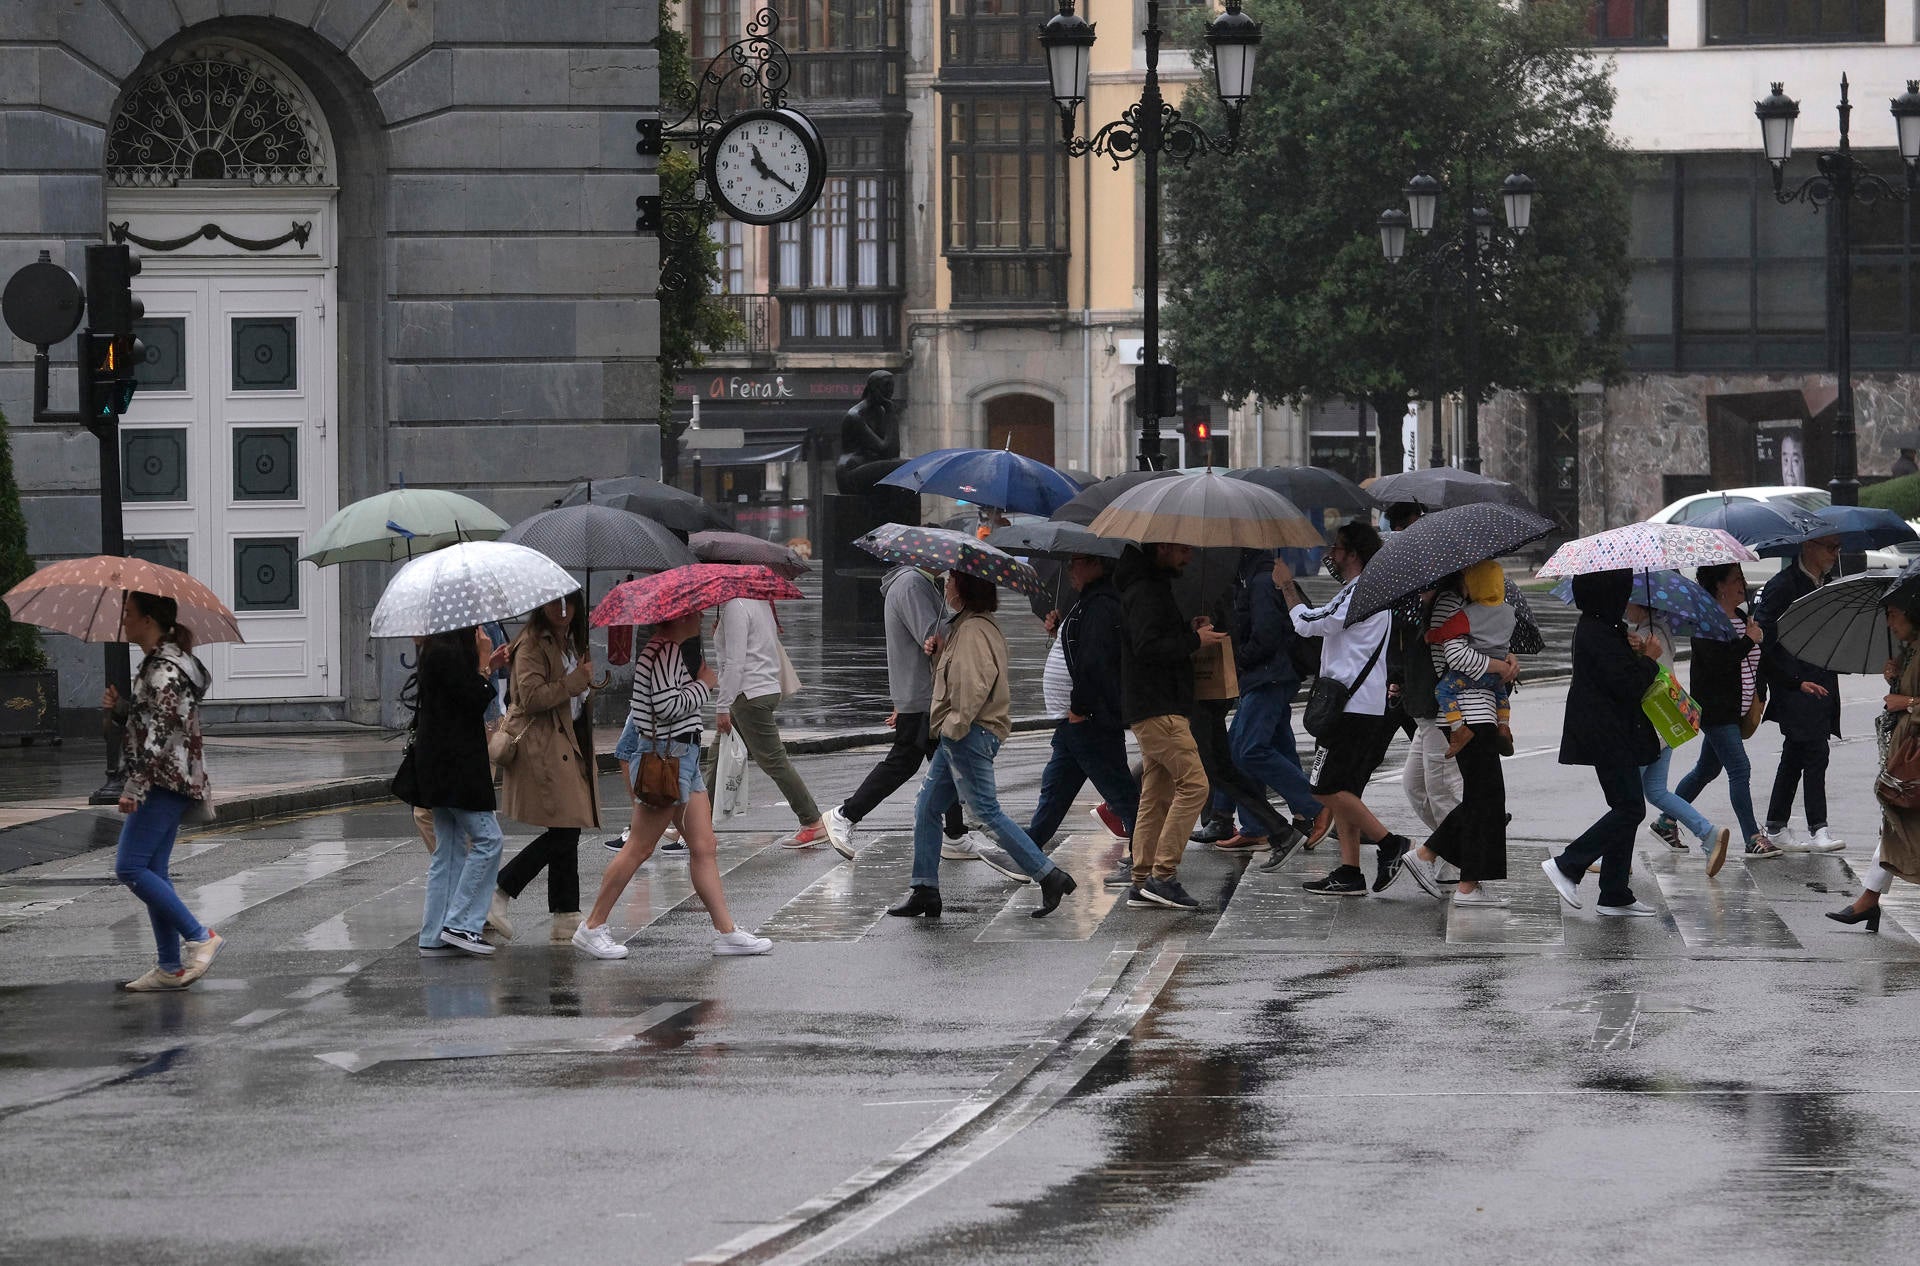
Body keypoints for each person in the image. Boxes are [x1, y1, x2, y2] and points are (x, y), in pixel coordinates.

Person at [577, 611, 772, 958]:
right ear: (677, 618)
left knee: (704, 845)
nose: (699, 618)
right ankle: (592, 926)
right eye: (693, 613)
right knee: (639, 847)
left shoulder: (669, 650)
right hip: (665, 760)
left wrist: (699, 682)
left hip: (683, 758)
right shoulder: (662, 652)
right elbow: (667, 707)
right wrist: (704, 684)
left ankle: (726, 932)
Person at [887, 571, 1078, 918]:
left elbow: (972, 688)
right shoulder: (964, 627)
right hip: (960, 731)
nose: (946, 586)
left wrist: (953, 728)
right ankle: (924, 888)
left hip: (968, 733)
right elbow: (952, 677)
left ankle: (1049, 875)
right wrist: (936, 653)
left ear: (964, 588)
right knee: (927, 807)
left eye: (950, 581)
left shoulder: (974, 631)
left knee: (984, 812)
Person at [1273, 522, 1411, 897]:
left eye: (1336, 548)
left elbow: (1310, 624)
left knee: (1323, 790)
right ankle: (1350, 872)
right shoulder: (1366, 591)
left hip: (1350, 708)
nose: (1330, 555)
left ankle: (1390, 843)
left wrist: (1287, 587)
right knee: (1346, 789)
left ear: (1353, 553)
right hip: (1361, 705)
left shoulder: (1361, 592)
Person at [109, 592, 223, 991]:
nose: (123, 620)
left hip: (163, 780)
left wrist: (134, 785)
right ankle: (170, 967)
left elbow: (162, 733)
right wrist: (121, 708)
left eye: (128, 613)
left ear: (148, 620)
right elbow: (158, 719)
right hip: (170, 777)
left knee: (129, 867)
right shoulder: (159, 664)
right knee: (152, 871)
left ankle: (200, 936)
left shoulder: (165, 668)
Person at [824, 563, 975, 861]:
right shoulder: (912, 585)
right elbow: (933, 639)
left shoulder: (918, 583)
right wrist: (964, 612)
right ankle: (845, 814)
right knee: (906, 760)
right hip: (922, 693)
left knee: (947, 759)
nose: (948, 564)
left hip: (923, 691)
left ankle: (955, 834)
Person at [1539, 569, 1662, 916]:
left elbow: (1617, 672)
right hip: (1606, 731)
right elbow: (1627, 685)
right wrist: (1649, 660)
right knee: (1630, 808)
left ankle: (1614, 893)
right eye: (1623, 590)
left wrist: (1634, 647)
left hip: (1611, 729)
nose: (1626, 598)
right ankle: (1568, 864)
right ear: (1609, 594)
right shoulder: (1598, 630)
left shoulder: (1602, 626)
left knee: (1626, 806)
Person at [1399, 572, 1518, 907]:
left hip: (1478, 711)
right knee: (1485, 799)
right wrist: (1499, 666)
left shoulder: (1463, 603)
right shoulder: (1449, 602)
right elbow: (1455, 657)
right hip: (1467, 713)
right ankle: (1433, 859)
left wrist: (1507, 660)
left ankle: (1462, 879)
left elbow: (1482, 644)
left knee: (1484, 800)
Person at [1117, 542, 1222, 911]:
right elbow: (1148, 648)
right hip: (1159, 707)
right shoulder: (1147, 590)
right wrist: (1194, 640)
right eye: (1182, 550)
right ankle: (1163, 876)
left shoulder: (1148, 586)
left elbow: (1153, 639)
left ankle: (1142, 879)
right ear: (1162, 547)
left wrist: (1186, 630)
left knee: (1156, 795)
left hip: (1153, 705)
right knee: (1195, 786)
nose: (1188, 557)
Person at [491, 592, 598, 946]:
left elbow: (574, 696)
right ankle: (500, 890)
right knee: (565, 830)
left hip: (568, 742)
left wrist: (585, 683)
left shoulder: (571, 641)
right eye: (555, 603)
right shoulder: (531, 644)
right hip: (543, 745)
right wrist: (575, 682)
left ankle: (566, 915)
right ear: (542, 605)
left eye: (570, 603)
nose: (563, 610)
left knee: (566, 828)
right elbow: (531, 697)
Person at [1666, 564, 1778, 869]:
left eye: (1742, 578)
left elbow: (1757, 661)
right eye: (1736, 579)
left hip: (1737, 709)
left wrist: (1786, 684)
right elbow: (1719, 664)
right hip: (1716, 710)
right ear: (1719, 586)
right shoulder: (1706, 622)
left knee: (1706, 770)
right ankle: (1752, 837)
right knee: (1740, 769)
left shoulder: (1742, 617)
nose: (1743, 584)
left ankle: (1666, 821)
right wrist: (1749, 640)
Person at [1026, 553, 1139, 848]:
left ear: (1096, 563)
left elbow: (1094, 662)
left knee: (1121, 794)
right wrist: (1063, 629)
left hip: (1087, 718)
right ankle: (1026, 850)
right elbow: (1082, 648)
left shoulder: (1101, 605)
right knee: (1055, 791)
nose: (1069, 568)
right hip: (1073, 719)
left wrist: (1079, 708)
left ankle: (1145, 857)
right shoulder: (1087, 602)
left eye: (1075, 561)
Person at [411, 625, 510, 957]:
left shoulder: (437, 649)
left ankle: (434, 935)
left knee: (450, 848)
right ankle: (462, 923)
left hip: (439, 765)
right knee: (489, 840)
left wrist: (488, 665)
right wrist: (483, 663)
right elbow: (471, 701)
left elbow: (456, 696)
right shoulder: (446, 652)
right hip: (456, 766)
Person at [1828, 595, 1920, 932]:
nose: (1889, 623)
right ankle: (1868, 900)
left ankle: (1868, 901)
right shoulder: (1910, 650)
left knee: (1900, 824)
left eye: (1894, 614)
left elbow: (1909, 701)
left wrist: (1905, 701)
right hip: (1906, 753)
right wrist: (1895, 677)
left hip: (1913, 756)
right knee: (1896, 824)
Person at [703, 594, 824, 847]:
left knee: (774, 760)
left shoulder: (735, 606)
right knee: (718, 754)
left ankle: (812, 821)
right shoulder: (758, 602)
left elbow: (735, 663)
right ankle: (697, 824)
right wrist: (721, 635)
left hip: (748, 694)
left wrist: (722, 706)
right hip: (760, 689)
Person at [1226, 548, 1323, 855]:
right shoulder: (1256, 577)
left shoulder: (1260, 581)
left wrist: (1240, 659)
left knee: (1248, 749)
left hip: (1268, 676)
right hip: (1271, 674)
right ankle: (1262, 824)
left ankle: (1315, 807)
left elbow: (1266, 635)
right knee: (1272, 747)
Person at [1628, 599, 1734, 875]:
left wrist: (1635, 649)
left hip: (1648, 726)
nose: (1625, 608)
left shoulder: (1646, 636)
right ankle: (1708, 833)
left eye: (1629, 603)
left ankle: (1616, 857)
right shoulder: (1661, 630)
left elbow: (1639, 679)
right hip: (1667, 723)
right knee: (1656, 791)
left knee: (1626, 795)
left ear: (1641, 605)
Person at [1755, 533, 1846, 853]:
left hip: (1821, 680)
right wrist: (1789, 679)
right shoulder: (1783, 586)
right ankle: (1818, 828)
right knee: (1816, 752)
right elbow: (1764, 638)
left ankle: (1776, 825)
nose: (1835, 554)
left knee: (1795, 755)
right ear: (1808, 546)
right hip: (1795, 685)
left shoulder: (1827, 585)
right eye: (1830, 547)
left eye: (1838, 547)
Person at [1426, 559, 1516, 757]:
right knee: (1501, 694)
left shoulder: (1469, 614)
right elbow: (1504, 640)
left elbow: (1448, 634)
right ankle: (1504, 725)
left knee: (1442, 690)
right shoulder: (1510, 612)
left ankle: (1458, 729)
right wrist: (1505, 662)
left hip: (1473, 678)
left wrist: (1431, 636)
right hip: (1496, 677)